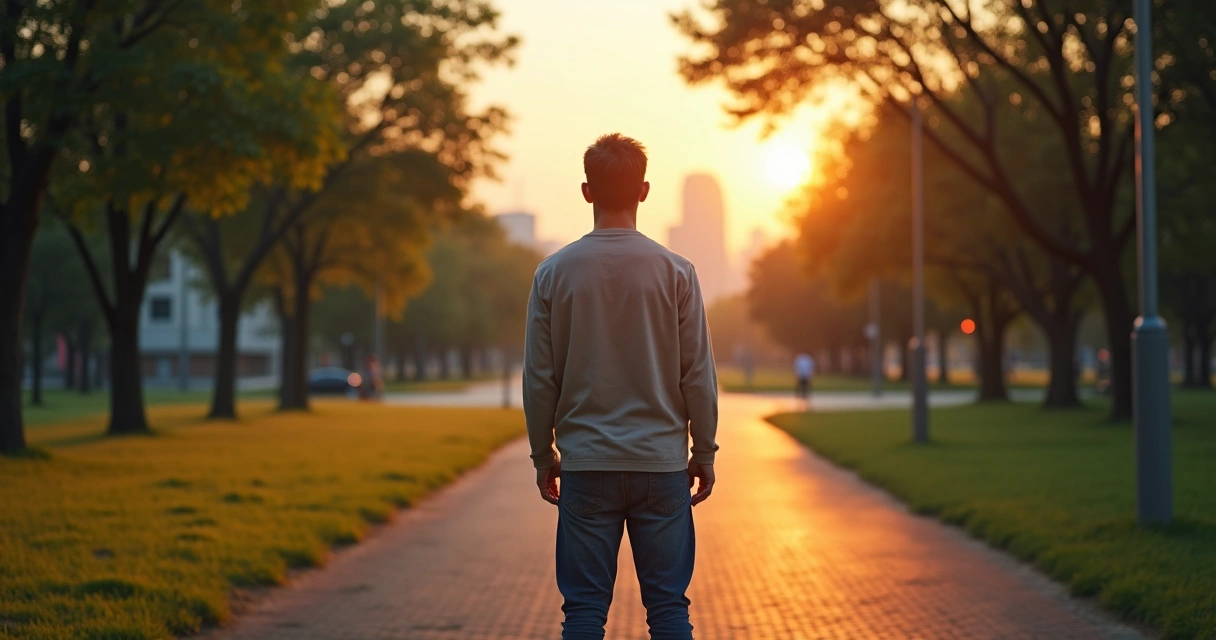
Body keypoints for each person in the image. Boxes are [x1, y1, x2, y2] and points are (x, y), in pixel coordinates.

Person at [523, 133, 719, 640]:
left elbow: (540, 379)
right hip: (661, 466)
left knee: (584, 613)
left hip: (587, 467)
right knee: (669, 611)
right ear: (645, 191)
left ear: (586, 191)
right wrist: (705, 450)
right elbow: (697, 372)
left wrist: (544, 456)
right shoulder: (678, 272)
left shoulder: (552, 274)